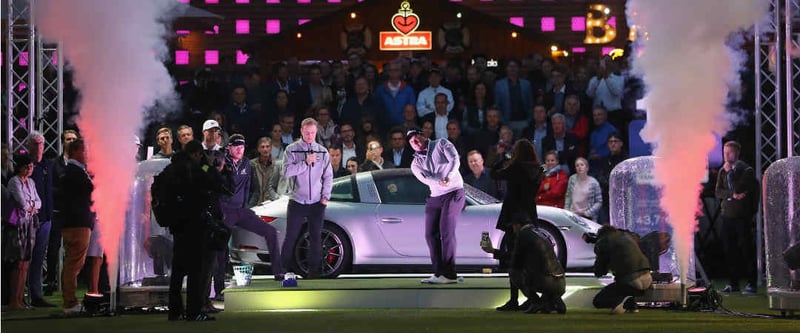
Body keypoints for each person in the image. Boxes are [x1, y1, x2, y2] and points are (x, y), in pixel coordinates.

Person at [482, 139, 543, 311]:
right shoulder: (538, 169)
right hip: (530, 213)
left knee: (514, 258)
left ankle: (516, 299)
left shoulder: (516, 168)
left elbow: (494, 174)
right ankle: (528, 298)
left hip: (514, 215)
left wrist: (503, 157)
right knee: (526, 258)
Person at [165, 140, 222, 322]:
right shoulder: (194, 170)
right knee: (196, 270)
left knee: (178, 271)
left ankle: (174, 311)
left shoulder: (171, 169)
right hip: (194, 225)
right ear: (197, 154)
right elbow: (213, 181)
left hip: (177, 225)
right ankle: (194, 311)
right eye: (200, 155)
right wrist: (208, 165)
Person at [219, 134, 285, 289]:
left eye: (242, 147)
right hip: (225, 211)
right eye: (236, 146)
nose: (240, 149)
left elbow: (249, 188)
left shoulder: (247, 164)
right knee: (220, 248)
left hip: (241, 210)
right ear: (229, 147)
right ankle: (219, 288)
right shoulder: (222, 162)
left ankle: (278, 272)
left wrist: (246, 207)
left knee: (270, 232)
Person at [407, 128, 465, 284]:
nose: (415, 142)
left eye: (417, 138)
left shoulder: (441, 143)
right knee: (430, 234)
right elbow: (425, 179)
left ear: (424, 135)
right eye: (411, 141)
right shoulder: (415, 164)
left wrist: (448, 177)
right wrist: (439, 180)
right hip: (435, 196)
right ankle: (439, 273)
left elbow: (455, 160)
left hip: (454, 192)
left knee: (446, 232)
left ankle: (450, 274)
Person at [281, 118, 333, 278]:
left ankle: (313, 272)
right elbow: (286, 171)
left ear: (316, 132)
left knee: (316, 237)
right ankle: (282, 270)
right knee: (291, 236)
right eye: (307, 132)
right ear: (301, 131)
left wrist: (325, 197)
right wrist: (305, 162)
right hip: (297, 200)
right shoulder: (291, 150)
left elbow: (328, 176)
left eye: (312, 133)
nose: (310, 135)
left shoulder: (322, 151)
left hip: (317, 202)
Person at [715, 140, 759, 294]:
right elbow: (718, 192)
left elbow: (739, 187)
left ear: (736, 153)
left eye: (729, 152)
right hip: (727, 216)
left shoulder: (746, 170)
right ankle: (733, 284)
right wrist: (732, 195)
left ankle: (751, 284)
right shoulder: (722, 171)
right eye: (724, 152)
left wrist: (730, 174)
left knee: (746, 250)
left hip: (742, 216)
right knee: (729, 250)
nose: (726, 156)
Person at [22, 131, 57, 308]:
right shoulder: (24, 165)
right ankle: (20, 295)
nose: (39, 147)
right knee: (24, 258)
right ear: (28, 146)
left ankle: (36, 294)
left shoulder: (47, 165)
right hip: (29, 219)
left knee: (38, 257)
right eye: (35, 144)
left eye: (41, 144)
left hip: (46, 218)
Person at [60, 139, 94, 314]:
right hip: (77, 223)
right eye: (84, 150)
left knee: (73, 264)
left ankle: (70, 301)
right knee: (73, 264)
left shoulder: (74, 171)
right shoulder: (74, 171)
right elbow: (88, 190)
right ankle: (70, 303)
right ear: (75, 152)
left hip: (76, 222)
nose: (87, 154)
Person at [509, 217, 567, 314]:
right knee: (540, 269)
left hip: (544, 282)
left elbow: (515, 261)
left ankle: (536, 302)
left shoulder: (523, 235)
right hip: (560, 282)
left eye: (513, 226)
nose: (513, 229)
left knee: (514, 272)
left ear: (518, 225)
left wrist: (494, 252)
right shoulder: (540, 232)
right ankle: (553, 301)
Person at [7, 153, 41, 310]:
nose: (30, 169)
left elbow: (38, 202)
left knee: (26, 262)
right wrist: (31, 205)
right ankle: (14, 299)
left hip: (30, 224)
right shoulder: (14, 182)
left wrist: (31, 205)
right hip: (18, 225)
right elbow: (22, 203)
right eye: (27, 166)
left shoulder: (31, 182)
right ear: (20, 167)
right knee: (18, 263)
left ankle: (21, 299)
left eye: (31, 166)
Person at [592, 225, 652, 314]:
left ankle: (618, 304)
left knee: (598, 301)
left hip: (630, 280)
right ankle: (631, 304)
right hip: (648, 278)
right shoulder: (628, 236)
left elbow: (600, 270)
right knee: (623, 288)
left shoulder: (603, 241)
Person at [249, 137, 278, 207]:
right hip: (256, 204)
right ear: (258, 149)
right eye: (262, 147)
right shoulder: (251, 164)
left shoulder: (277, 164)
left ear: (271, 148)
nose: (265, 149)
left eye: (267, 146)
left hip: (272, 204)